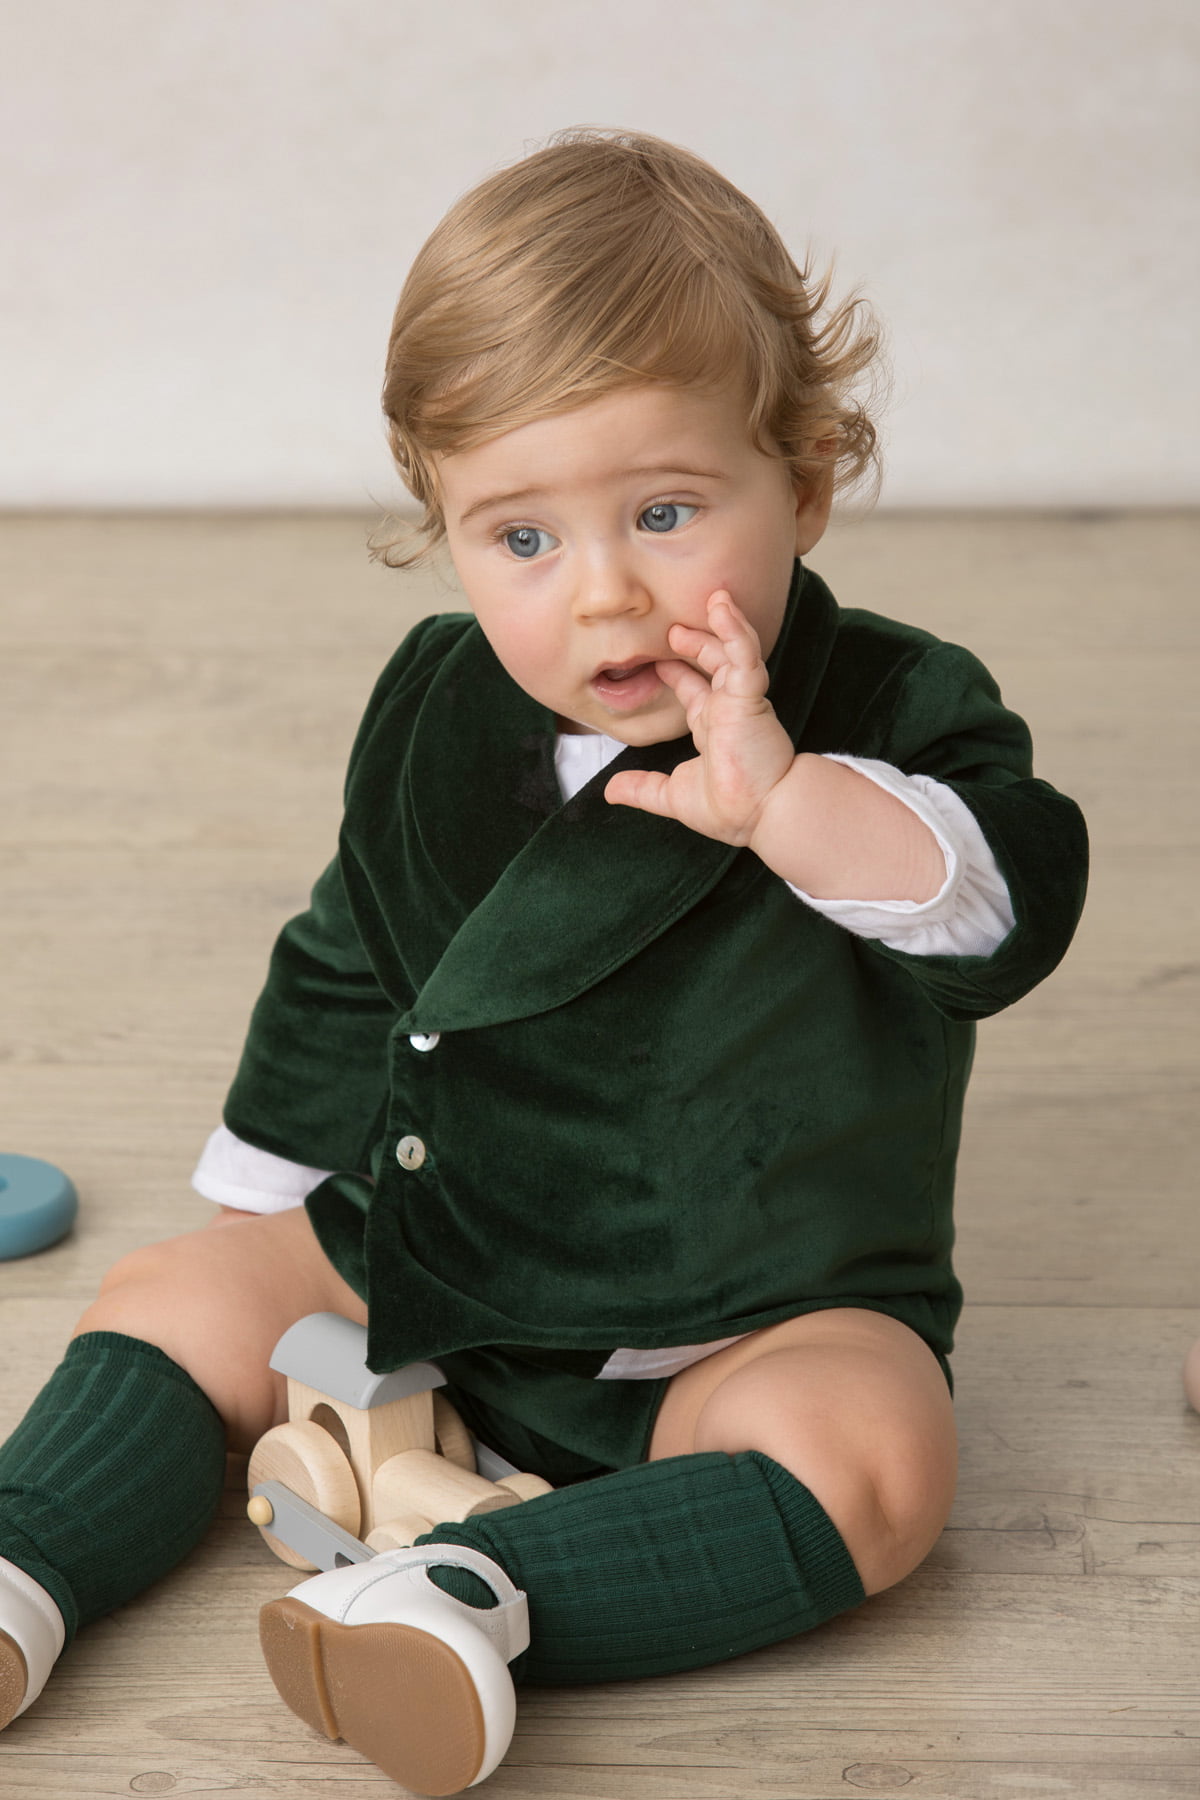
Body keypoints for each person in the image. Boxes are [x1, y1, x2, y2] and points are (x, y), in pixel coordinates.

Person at [0, 128, 1088, 1794]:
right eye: (522, 539)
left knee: (880, 1459)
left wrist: (792, 801)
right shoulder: (439, 701)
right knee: (180, 1289)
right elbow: (352, 949)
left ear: (803, 478)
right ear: (440, 527)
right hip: (447, 1247)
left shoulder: (889, 709)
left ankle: (469, 1599)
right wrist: (265, 1200)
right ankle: (27, 1562)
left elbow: (1006, 912)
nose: (605, 599)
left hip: (747, 1308)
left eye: (665, 512)